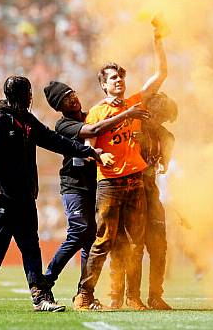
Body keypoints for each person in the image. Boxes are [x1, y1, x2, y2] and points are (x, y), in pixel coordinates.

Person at [0, 76, 102, 313]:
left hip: (24, 198)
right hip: (1, 198)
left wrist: (85, 150)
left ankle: (41, 298)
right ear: (22, 96)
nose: (29, 98)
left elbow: (53, 140)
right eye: (26, 94)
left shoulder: (27, 121)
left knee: (31, 247)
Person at [73, 15, 168, 311]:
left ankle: (133, 297)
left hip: (135, 182)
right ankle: (85, 295)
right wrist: (101, 154)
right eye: (113, 78)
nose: (120, 81)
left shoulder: (135, 103)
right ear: (103, 85)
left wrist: (158, 42)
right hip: (110, 185)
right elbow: (88, 145)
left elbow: (161, 74)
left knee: (136, 244)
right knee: (103, 242)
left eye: (121, 77)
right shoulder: (97, 113)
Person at [42, 81, 149, 295]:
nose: (72, 99)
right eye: (65, 99)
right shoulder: (63, 125)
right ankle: (46, 281)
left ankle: (84, 293)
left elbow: (99, 118)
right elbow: (95, 129)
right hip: (74, 185)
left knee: (91, 239)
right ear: (58, 107)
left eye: (72, 93)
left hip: (96, 184)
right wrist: (126, 113)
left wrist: (109, 104)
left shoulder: (91, 113)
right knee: (79, 232)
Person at [109, 92, 177, 310]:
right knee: (127, 246)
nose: (162, 121)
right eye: (160, 116)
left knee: (159, 246)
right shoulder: (132, 129)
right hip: (127, 192)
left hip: (150, 193)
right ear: (151, 111)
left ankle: (155, 295)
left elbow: (162, 167)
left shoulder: (166, 137)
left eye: (165, 118)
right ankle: (121, 295)